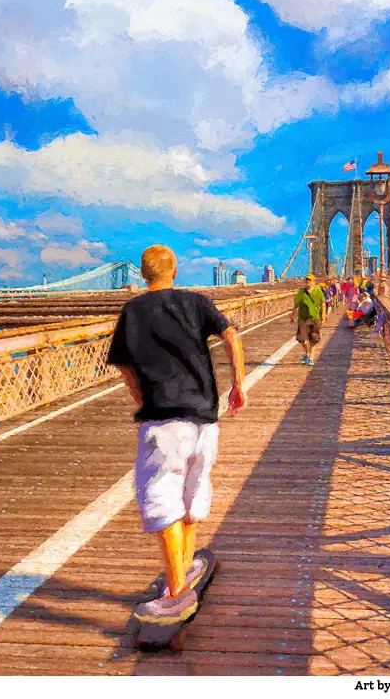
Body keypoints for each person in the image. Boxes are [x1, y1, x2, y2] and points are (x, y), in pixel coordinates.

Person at [107, 245, 247, 627]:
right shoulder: (196, 301)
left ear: (141, 273)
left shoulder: (132, 310)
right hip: (205, 419)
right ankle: (184, 566)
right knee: (193, 492)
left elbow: (124, 368)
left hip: (164, 421)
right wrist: (239, 385)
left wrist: (141, 398)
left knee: (161, 498)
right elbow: (232, 336)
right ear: (175, 269)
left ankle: (177, 594)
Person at [291, 273, 326, 366]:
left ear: (314, 282)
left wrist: (323, 314)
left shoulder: (318, 291)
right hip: (303, 318)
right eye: (306, 280)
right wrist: (292, 315)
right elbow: (296, 305)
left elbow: (323, 303)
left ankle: (311, 357)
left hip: (315, 318)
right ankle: (307, 353)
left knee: (314, 339)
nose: (308, 282)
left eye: (310, 280)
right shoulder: (301, 292)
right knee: (302, 339)